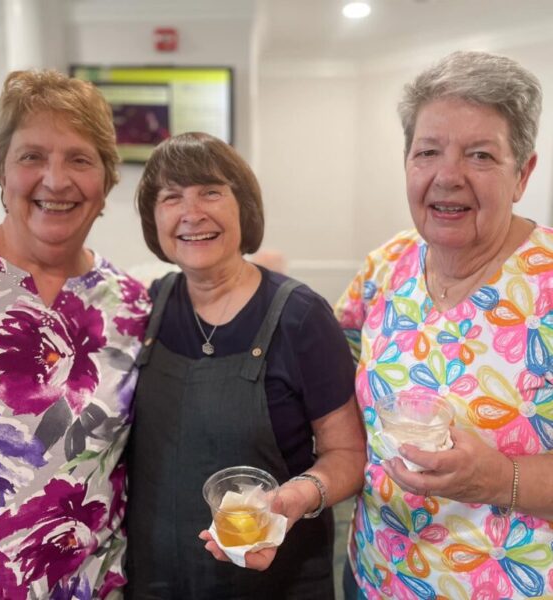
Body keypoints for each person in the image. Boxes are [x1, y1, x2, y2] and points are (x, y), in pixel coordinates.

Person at [335, 50, 553, 599]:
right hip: (373, 573)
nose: (447, 176)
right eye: (427, 151)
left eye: (480, 155)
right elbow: (332, 376)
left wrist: (502, 479)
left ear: (522, 173)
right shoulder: (387, 264)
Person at [125, 131, 366, 599]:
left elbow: (349, 456)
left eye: (211, 192)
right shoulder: (145, 308)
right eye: (171, 197)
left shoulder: (301, 316)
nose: (192, 213)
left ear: (244, 208)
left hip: (276, 579)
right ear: (154, 219)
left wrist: (295, 499)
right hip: (157, 578)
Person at [0, 70, 151, 598]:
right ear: (1, 171)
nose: (56, 180)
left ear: (107, 180)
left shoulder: (131, 304)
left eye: (80, 159)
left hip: (91, 587)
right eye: (32, 156)